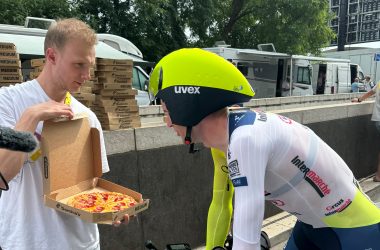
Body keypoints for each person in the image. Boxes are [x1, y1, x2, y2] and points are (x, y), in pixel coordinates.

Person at [148, 48, 380, 249]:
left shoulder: (245, 139)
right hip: (312, 226)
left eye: (166, 112)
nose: (167, 123)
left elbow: (247, 241)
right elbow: (223, 203)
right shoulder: (232, 133)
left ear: (187, 105)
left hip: (355, 230)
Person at [0, 18, 129, 250]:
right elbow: (2, 174)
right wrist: (31, 117)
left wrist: (109, 210)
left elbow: (89, 185)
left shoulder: (87, 116)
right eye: (79, 64)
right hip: (28, 243)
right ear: (51, 56)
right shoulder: (9, 102)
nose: (87, 74)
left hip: (82, 243)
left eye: (90, 65)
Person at [352, 81, 380, 183]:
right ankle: (378, 176)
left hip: (377, 120)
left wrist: (359, 99)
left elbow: (370, 93)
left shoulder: (379, 84)